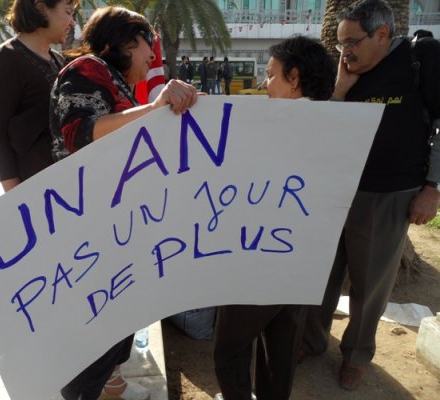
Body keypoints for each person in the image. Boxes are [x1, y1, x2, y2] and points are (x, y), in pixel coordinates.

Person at [50, 6, 198, 400]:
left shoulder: (113, 81)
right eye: (145, 46)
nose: (152, 57)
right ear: (122, 43)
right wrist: (152, 109)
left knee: (114, 327)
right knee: (95, 332)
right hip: (91, 228)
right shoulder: (86, 71)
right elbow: (79, 134)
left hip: (114, 226)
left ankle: (103, 387)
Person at [300, 0, 440, 391]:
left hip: (390, 194)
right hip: (337, 191)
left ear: (382, 34)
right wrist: (341, 90)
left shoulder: (420, 57)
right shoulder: (347, 72)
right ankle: (311, 341)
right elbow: (327, 129)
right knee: (320, 275)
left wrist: (433, 188)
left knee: (370, 283)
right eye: (341, 43)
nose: (345, 51)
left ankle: (356, 356)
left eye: (352, 42)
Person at [213, 35, 336, 400]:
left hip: (257, 258)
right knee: (279, 348)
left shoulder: (270, 128)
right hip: (302, 262)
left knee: (229, 348)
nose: (264, 84)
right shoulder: (338, 128)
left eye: (270, 75)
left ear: (294, 78)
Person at [0, 0, 77, 192]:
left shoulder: (58, 60)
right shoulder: (6, 59)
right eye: (68, 12)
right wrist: (14, 195)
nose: (72, 22)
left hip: (67, 181)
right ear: (41, 7)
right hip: (34, 187)